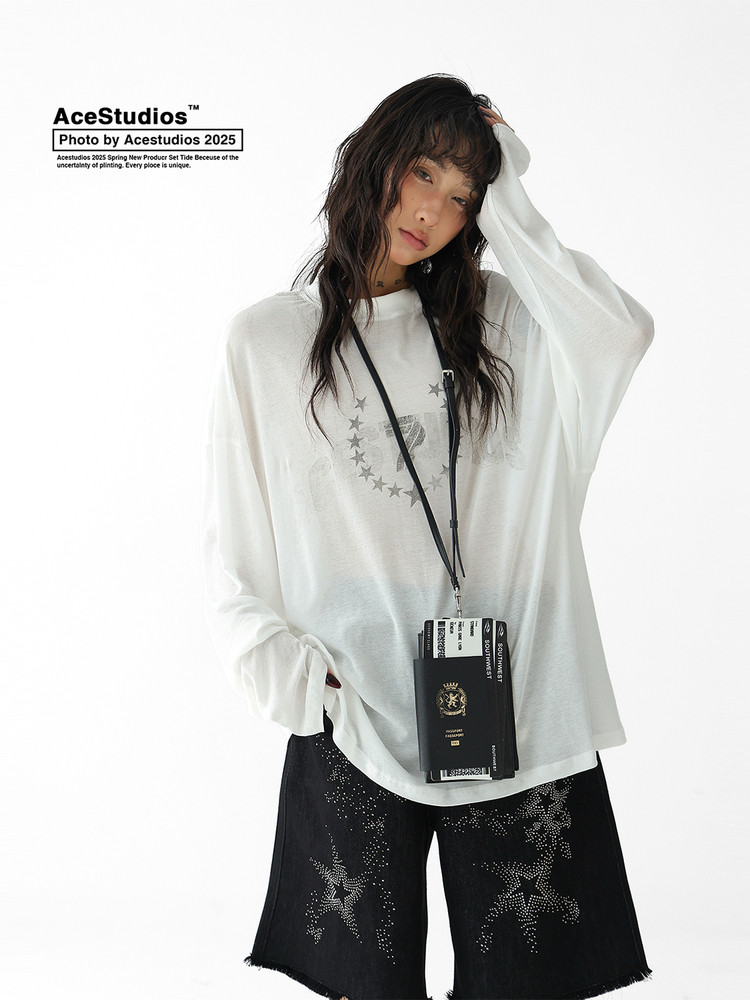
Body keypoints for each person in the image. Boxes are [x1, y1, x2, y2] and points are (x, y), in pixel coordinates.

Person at [200, 74, 654, 1000]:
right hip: (357, 700)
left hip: (516, 690)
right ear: (376, 161)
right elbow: (233, 543)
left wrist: (511, 188)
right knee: (366, 982)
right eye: (423, 173)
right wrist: (296, 677)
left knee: (528, 977)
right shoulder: (267, 342)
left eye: (464, 196)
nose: (434, 212)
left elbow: (618, 334)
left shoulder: (506, 322)